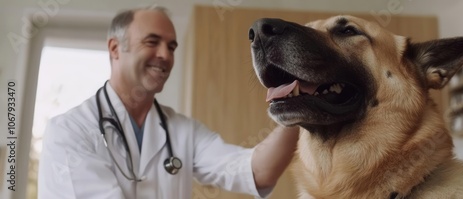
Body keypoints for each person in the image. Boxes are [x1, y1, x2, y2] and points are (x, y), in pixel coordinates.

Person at [37, 5, 299, 199]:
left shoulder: (182, 130)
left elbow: (255, 171)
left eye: (171, 47)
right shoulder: (69, 131)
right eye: (152, 42)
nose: (165, 55)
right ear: (116, 49)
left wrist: (298, 107)